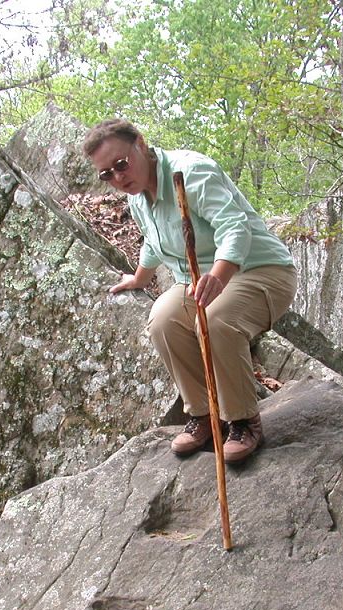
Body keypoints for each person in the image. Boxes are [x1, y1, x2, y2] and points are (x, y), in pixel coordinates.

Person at [83, 118, 297, 463]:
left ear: (141, 144)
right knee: (162, 320)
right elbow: (153, 242)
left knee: (213, 320)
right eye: (106, 174)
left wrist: (220, 275)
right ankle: (205, 414)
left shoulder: (191, 172)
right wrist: (139, 278)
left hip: (260, 270)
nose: (118, 178)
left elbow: (234, 227)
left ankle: (243, 420)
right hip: (200, 280)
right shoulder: (138, 198)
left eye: (121, 164)